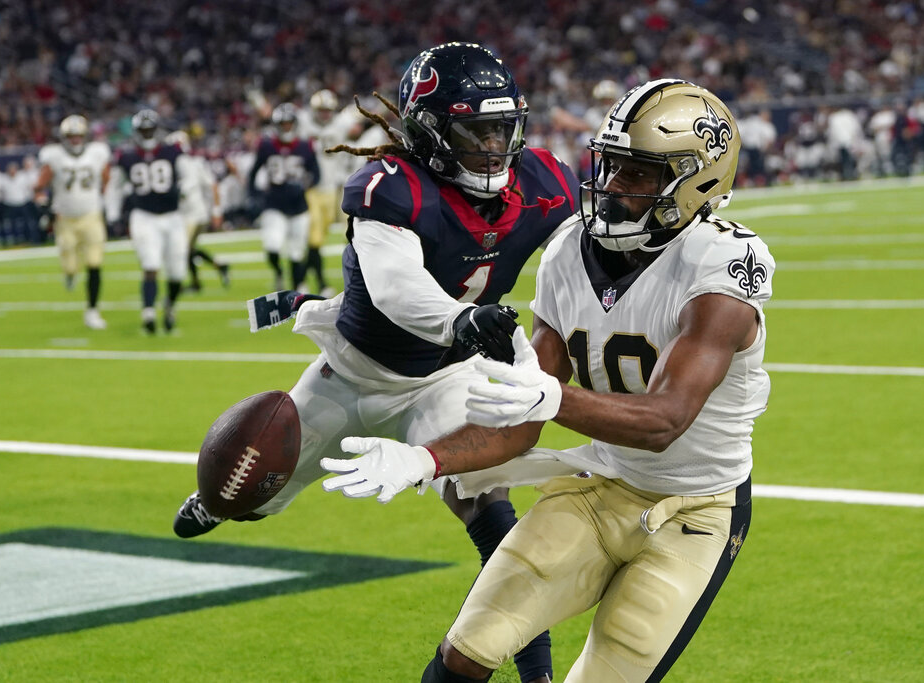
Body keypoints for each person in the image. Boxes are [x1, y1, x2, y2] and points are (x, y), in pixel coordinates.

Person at [320, 79, 774, 681]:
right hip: (598, 485)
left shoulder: (723, 263)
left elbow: (666, 420)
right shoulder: (567, 252)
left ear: (696, 179)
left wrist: (553, 396)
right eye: (609, 167)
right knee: (467, 649)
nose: (611, 187)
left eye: (636, 174)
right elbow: (521, 415)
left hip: (695, 511)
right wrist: (423, 460)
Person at [173, 42, 579, 683]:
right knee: (251, 492)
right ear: (432, 131)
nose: (494, 147)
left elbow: (589, 243)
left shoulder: (545, 182)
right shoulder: (392, 189)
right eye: (477, 132)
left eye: (504, 129)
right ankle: (215, 500)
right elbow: (396, 290)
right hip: (353, 371)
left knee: (486, 503)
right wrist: (462, 319)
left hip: (444, 375)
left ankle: (537, 672)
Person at [114, 109, 192, 334]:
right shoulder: (127, 155)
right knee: (150, 264)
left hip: (173, 215)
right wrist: (113, 212)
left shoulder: (172, 150)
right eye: (144, 130)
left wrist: (185, 191)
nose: (147, 134)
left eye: (150, 129)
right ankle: (148, 312)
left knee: (177, 272)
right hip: (144, 215)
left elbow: (188, 176)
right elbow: (115, 186)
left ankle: (169, 306)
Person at [35, 115, 112, 329]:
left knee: (95, 263)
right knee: (69, 263)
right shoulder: (54, 156)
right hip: (65, 219)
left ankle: (92, 310)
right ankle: (70, 274)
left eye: (79, 136)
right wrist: (45, 207)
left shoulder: (97, 153)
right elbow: (39, 186)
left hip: (91, 215)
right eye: (72, 136)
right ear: (64, 137)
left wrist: (105, 199)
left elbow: (107, 178)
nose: (76, 140)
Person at [249, 102, 320, 291]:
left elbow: (316, 174)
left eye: (289, 123)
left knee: (296, 252)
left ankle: (296, 290)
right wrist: (254, 195)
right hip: (274, 203)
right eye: (283, 124)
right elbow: (253, 172)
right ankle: (279, 272)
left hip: (299, 206)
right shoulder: (266, 145)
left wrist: (306, 185)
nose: (286, 127)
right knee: (272, 245)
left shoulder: (305, 146)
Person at [299, 89, 357, 296]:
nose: (324, 114)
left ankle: (304, 279)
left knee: (335, 235)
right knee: (313, 238)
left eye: (328, 110)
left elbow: (361, 122)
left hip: (334, 188)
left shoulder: (342, 123)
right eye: (321, 110)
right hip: (312, 188)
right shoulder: (303, 122)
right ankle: (316, 281)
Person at [164, 130, 230, 292]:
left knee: (182, 249)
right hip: (190, 214)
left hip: (193, 215)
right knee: (189, 249)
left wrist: (216, 210)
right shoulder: (183, 163)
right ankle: (218, 265)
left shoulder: (192, 163)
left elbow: (212, 185)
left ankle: (196, 282)